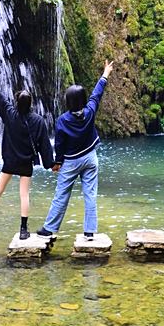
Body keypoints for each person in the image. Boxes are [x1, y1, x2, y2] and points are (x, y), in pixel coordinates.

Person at [37, 60, 113, 241]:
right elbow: (97, 95)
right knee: (90, 194)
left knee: (61, 194)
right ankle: (89, 231)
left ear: (68, 103)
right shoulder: (90, 111)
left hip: (71, 162)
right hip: (90, 158)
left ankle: (50, 228)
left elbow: (60, 145)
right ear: (83, 101)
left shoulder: (63, 120)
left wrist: (57, 163)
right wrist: (105, 74)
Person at [0, 71, 54, 240]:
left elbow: (0, 98)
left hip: (10, 161)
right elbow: (45, 145)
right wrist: (51, 164)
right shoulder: (38, 121)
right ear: (31, 103)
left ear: (17, 102)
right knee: (24, 195)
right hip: (26, 163)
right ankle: (24, 230)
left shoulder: (10, 114)